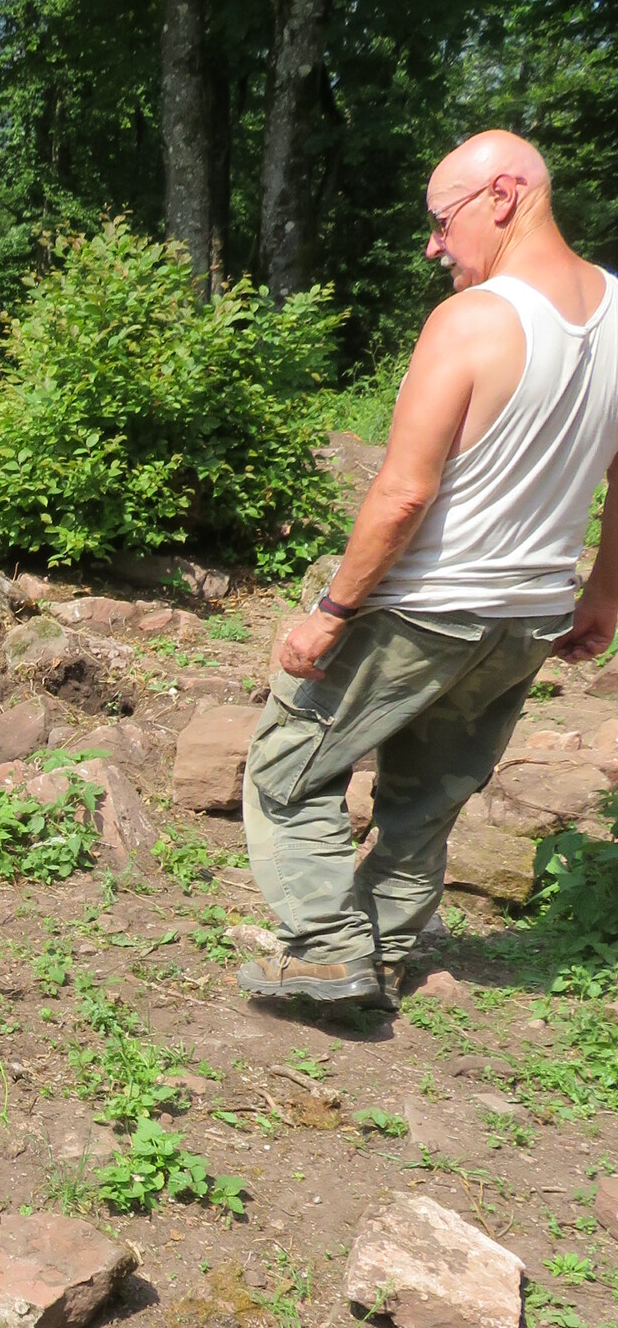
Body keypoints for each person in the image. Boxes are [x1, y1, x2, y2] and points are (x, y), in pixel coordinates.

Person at [239, 129, 618, 1007]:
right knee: (427, 796)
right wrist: (602, 594)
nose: (433, 244)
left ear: (503, 196)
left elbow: (405, 492)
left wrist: (332, 611)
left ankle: (326, 951)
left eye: (442, 221)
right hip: (527, 617)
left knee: (286, 771)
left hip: (426, 608)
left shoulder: (473, 319)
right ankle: (380, 955)